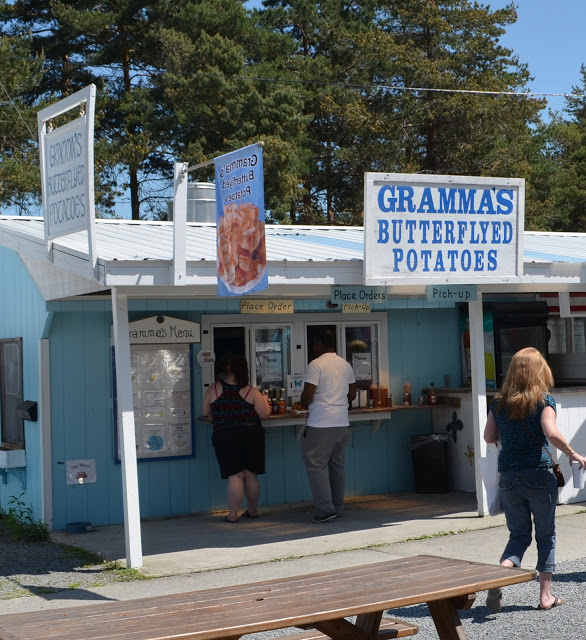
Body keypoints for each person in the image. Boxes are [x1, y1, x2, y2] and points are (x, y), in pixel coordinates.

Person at [483, 347, 586, 612]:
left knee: (518, 535)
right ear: (540, 371)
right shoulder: (543, 400)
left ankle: (500, 575)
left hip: (508, 477)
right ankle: (545, 597)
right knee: (546, 536)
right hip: (538, 476)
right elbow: (550, 433)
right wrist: (573, 453)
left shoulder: (499, 403)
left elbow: (488, 437)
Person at [202, 353, 271, 523]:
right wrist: (264, 400)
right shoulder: (251, 391)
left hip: (225, 435)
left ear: (227, 369)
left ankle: (233, 515)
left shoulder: (215, 389)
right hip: (251, 435)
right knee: (250, 474)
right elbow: (264, 414)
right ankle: (253, 510)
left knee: (235, 476)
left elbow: (206, 412)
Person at [300, 328, 356, 522]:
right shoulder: (346, 365)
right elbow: (352, 395)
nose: (314, 347)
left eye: (315, 343)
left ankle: (325, 510)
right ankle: (337, 507)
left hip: (321, 423)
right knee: (337, 466)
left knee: (316, 466)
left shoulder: (316, 364)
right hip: (342, 422)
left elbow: (308, 396)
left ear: (320, 343)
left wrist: (301, 401)